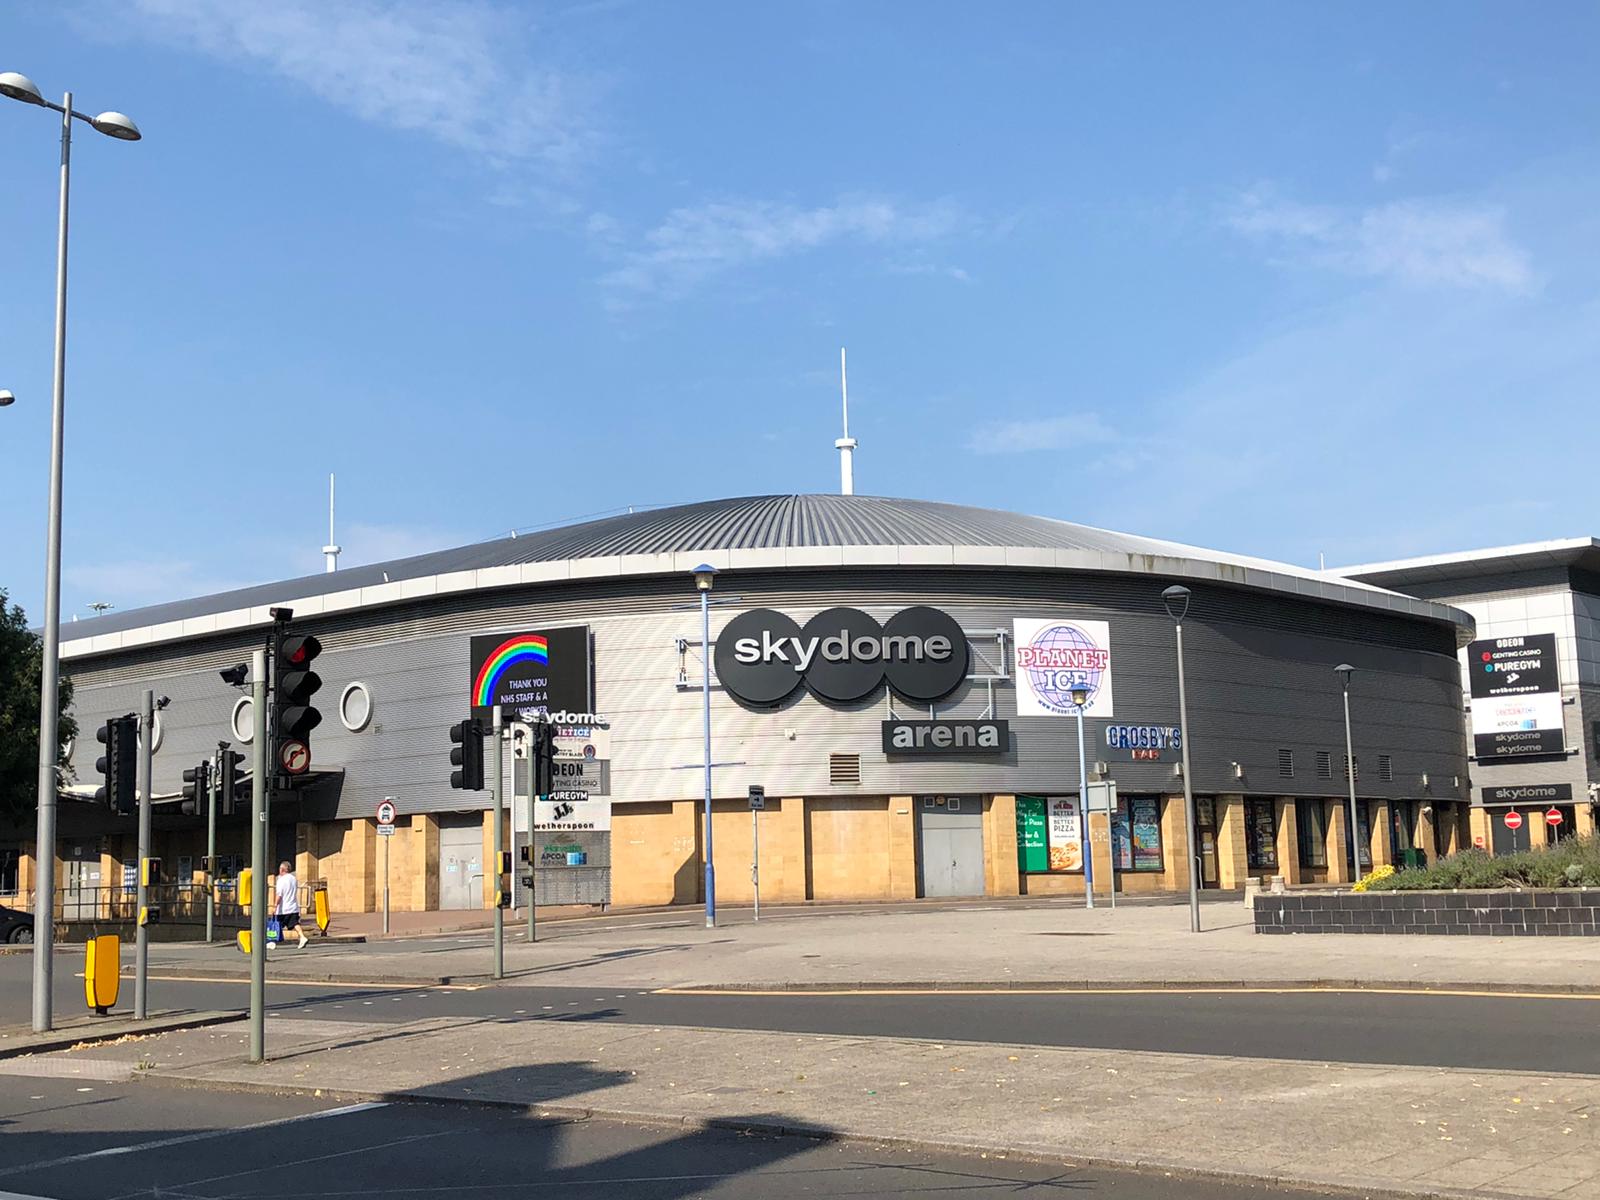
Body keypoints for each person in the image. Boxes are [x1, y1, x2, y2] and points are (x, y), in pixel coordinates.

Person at [271, 860, 308, 949]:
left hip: (283, 908)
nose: (279, 870)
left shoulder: (281, 880)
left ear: (283, 869)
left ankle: (272, 941)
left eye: (280, 868)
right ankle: (302, 937)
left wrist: (275, 906)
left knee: (275, 924)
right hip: (293, 906)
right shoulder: (293, 879)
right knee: (295, 923)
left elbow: (279, 894)